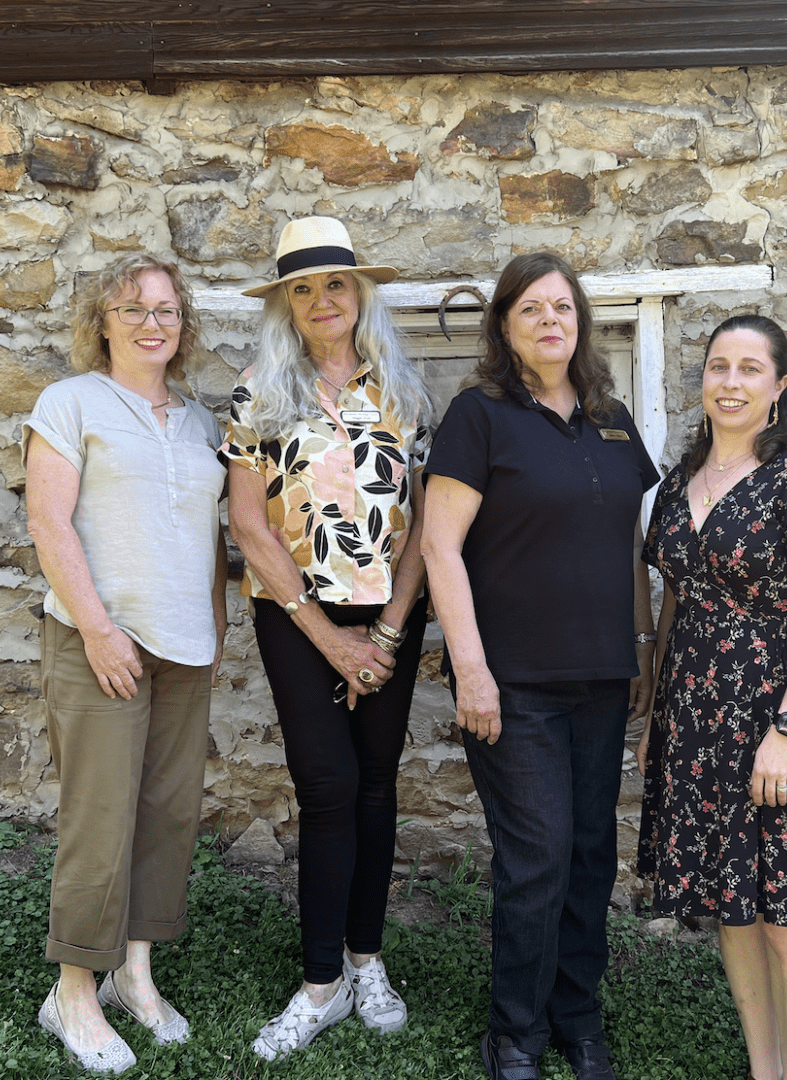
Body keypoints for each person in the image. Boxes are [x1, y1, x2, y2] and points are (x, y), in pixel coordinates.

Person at [421, 252, 660, 1080]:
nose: (550, 321)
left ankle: (576, 1016)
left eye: (562, 307)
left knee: (592, 852)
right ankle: (514, 1030)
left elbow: (629, 548)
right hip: (511, 679)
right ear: (505, 327)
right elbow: (440, 547)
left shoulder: (613, 419)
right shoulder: (479, 416)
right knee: (540, 853)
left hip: (600, 676)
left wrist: (641, 647)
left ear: (581, 322)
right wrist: (472, 669)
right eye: (531, 310)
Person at [220, 216, 431, 1062]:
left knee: (376, 785)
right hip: (295, 616)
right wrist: (330, 639)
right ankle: (319, 984)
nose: (321, 301)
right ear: (285, 306)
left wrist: (382, 632)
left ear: (358, 293)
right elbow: (248, 523)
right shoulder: (258, 392)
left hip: (390, 614)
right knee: (326, 784)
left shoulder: (403, 392)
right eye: (301, 289)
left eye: (333, 284)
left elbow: (424, 525)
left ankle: (365, 958)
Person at [635, 314, 787, 1080]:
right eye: (718, 367)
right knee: (731, 908)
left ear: (779, 387)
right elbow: (676, 607)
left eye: (749, 370)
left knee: (783, 921)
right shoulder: (676, 483)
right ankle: (762, 1070)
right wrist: (658, 712)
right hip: (695, 712)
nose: (730, 383)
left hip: (776, 711)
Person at [24, 254, 227, 1073]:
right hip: (98, 641)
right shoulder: (70, 402)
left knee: (169, 814)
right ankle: (73, 988)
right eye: (132, 307)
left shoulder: (201, 421)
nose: (152, 321)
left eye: (167, 309)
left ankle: (133, 974)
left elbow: (214, 534)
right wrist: (100, 630)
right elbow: (49, 521)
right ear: (101, 320)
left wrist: (214, 623)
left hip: (185, 647)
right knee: (99, 815)